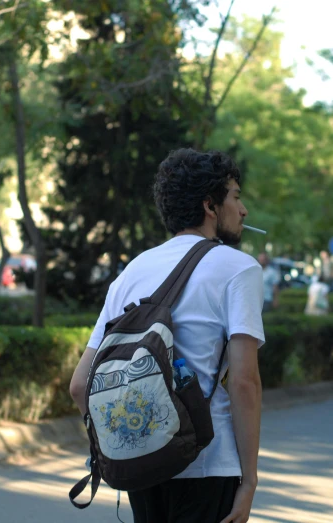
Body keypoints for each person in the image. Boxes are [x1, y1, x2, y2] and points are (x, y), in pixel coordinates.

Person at [69, 148, 264, 523]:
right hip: (208, 463)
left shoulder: (132, 271)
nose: (243, 211)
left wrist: (117, 450)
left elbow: (80, 385)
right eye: (236, 197)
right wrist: (250, 480)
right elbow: (244, 382)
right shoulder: (239, 269)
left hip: (142, 467)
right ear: (210, 205)